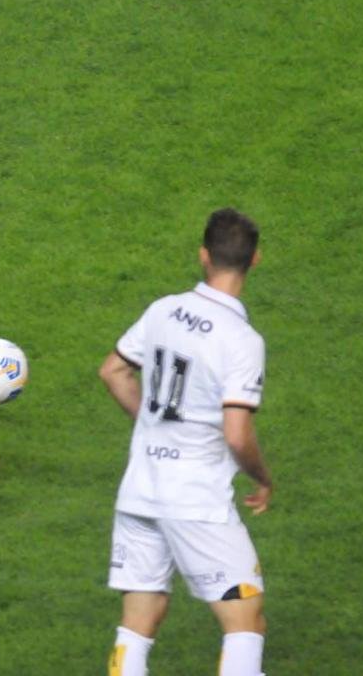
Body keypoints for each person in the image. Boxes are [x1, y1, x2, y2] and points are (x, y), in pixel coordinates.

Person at [97, 209, 274, 676]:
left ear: (203, 256)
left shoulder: (162, 310)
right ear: (254, 260)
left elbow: (113, 371)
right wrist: (262, 477)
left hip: (140, 490)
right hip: (196, 500)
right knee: (245, 620)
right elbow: (237, 432)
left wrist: (150, 424)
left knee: (140, 618)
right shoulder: (242, 340)